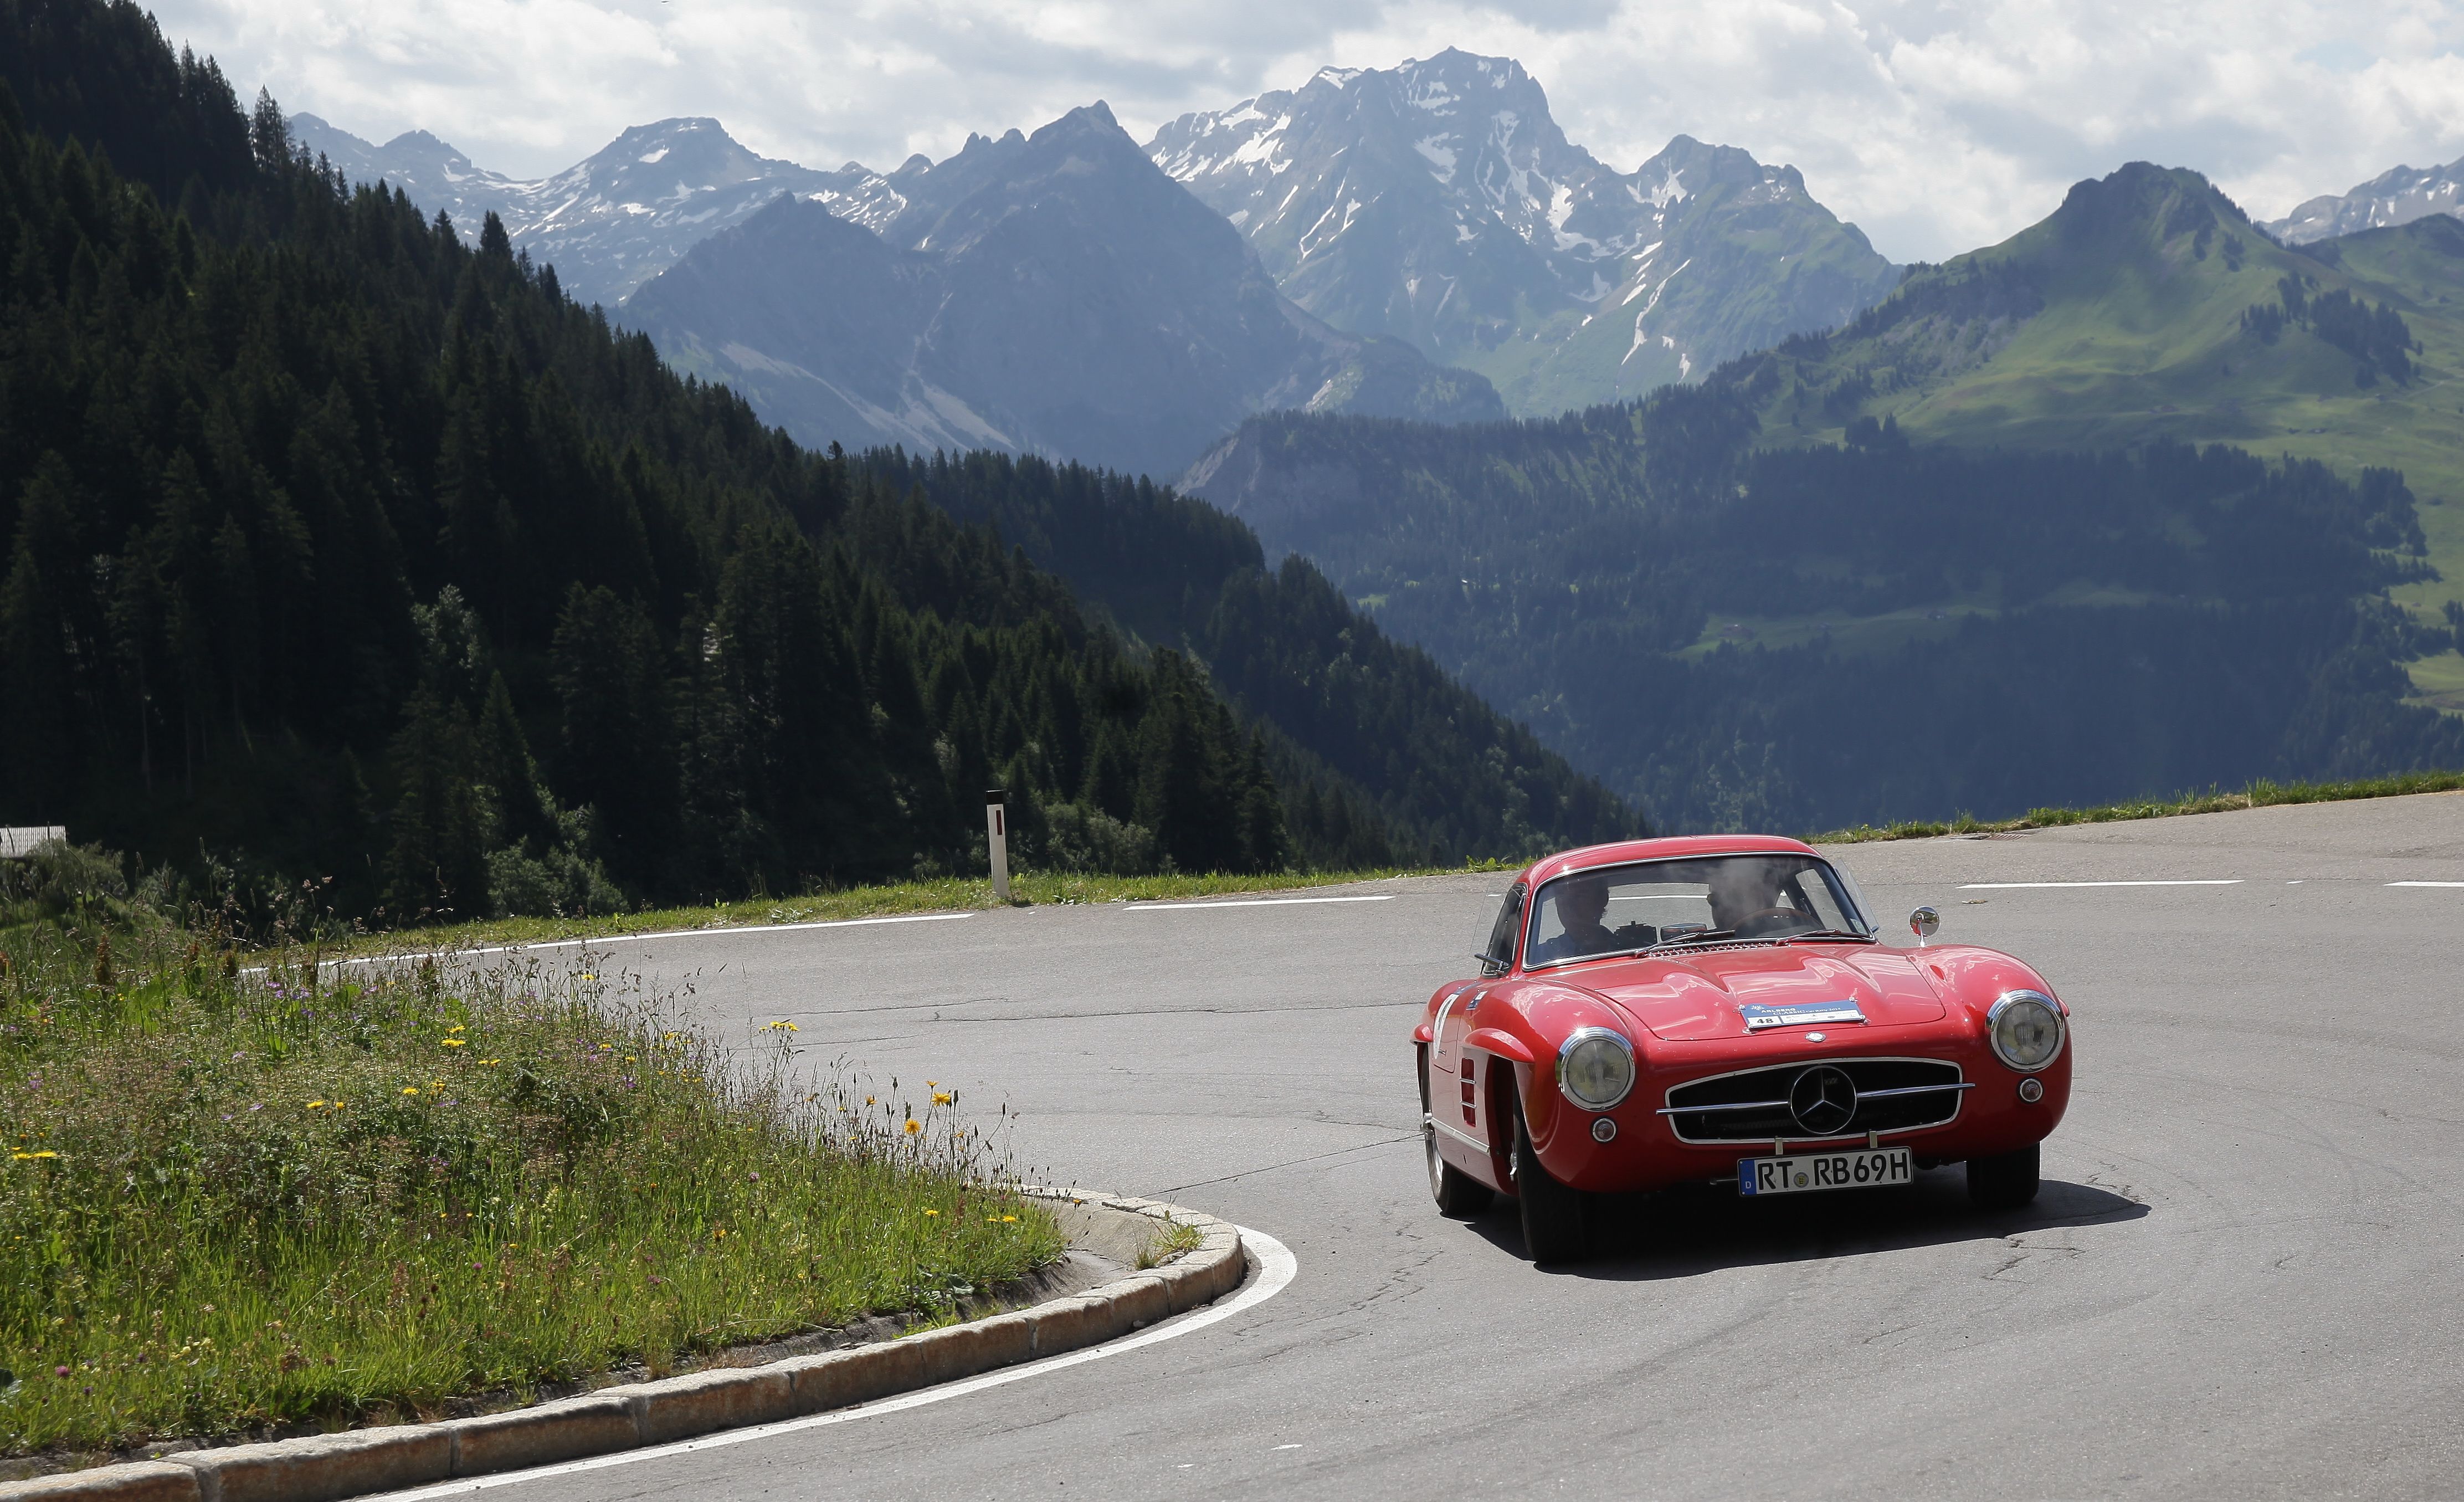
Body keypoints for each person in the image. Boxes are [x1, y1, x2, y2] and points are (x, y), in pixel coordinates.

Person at [1529, 875, 1621, 965]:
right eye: (1561, 896)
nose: (1569, 906)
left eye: (1579, 896)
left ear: (1602, 899)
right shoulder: (1540, 956)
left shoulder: (1625, 946)